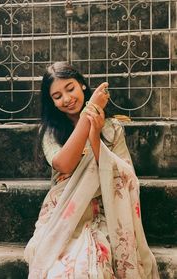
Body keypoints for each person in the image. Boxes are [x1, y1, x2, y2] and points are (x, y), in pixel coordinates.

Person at [24, 62, 160, 279]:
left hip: (105, 211)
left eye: (70, 88)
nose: (67, 99)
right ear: (51, 102)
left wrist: (95, 135)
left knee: (92, 266)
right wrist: (88, 116)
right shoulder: (51, 133)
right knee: (59, 269)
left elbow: (124, 175)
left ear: (82, 86)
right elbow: (64, 165)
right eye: (57, 96)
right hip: (64, 211)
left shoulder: (112, 128)